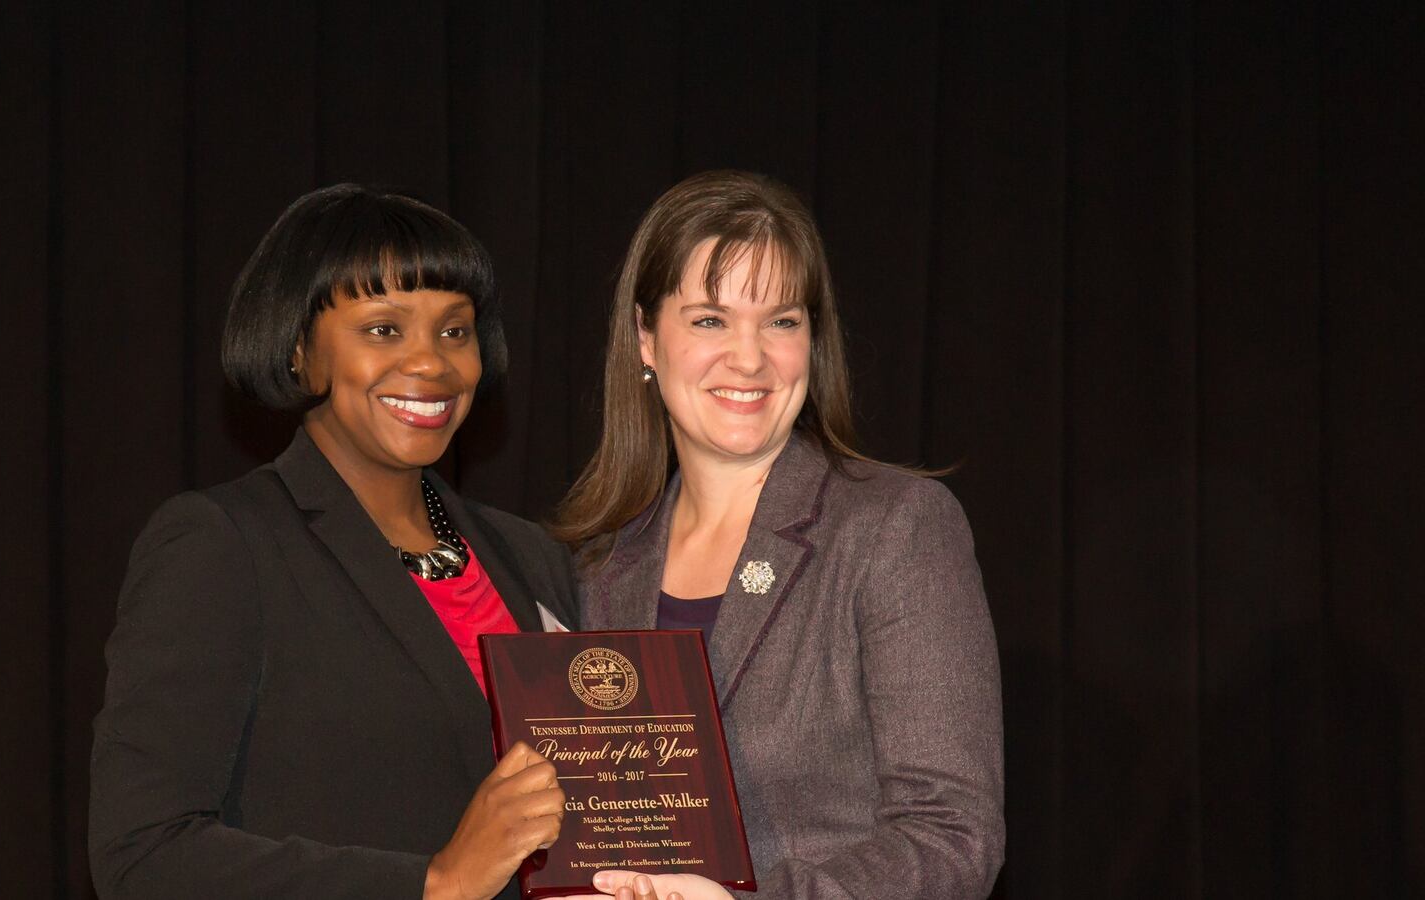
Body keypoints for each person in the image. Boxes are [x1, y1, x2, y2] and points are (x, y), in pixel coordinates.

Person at [89, 184, 576, 899]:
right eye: (383, 329)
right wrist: (434, 883)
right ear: (298, 351)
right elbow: (143, 856)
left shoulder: (530, 556)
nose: (432, 364)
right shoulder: (221, 547)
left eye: (455, 329)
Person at [552, 171, 1004, 900]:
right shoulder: (597, 567)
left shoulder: (897, 527)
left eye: (782, 320)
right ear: (645, 337)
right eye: (709, 320)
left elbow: (953, 838)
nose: (750, 357)